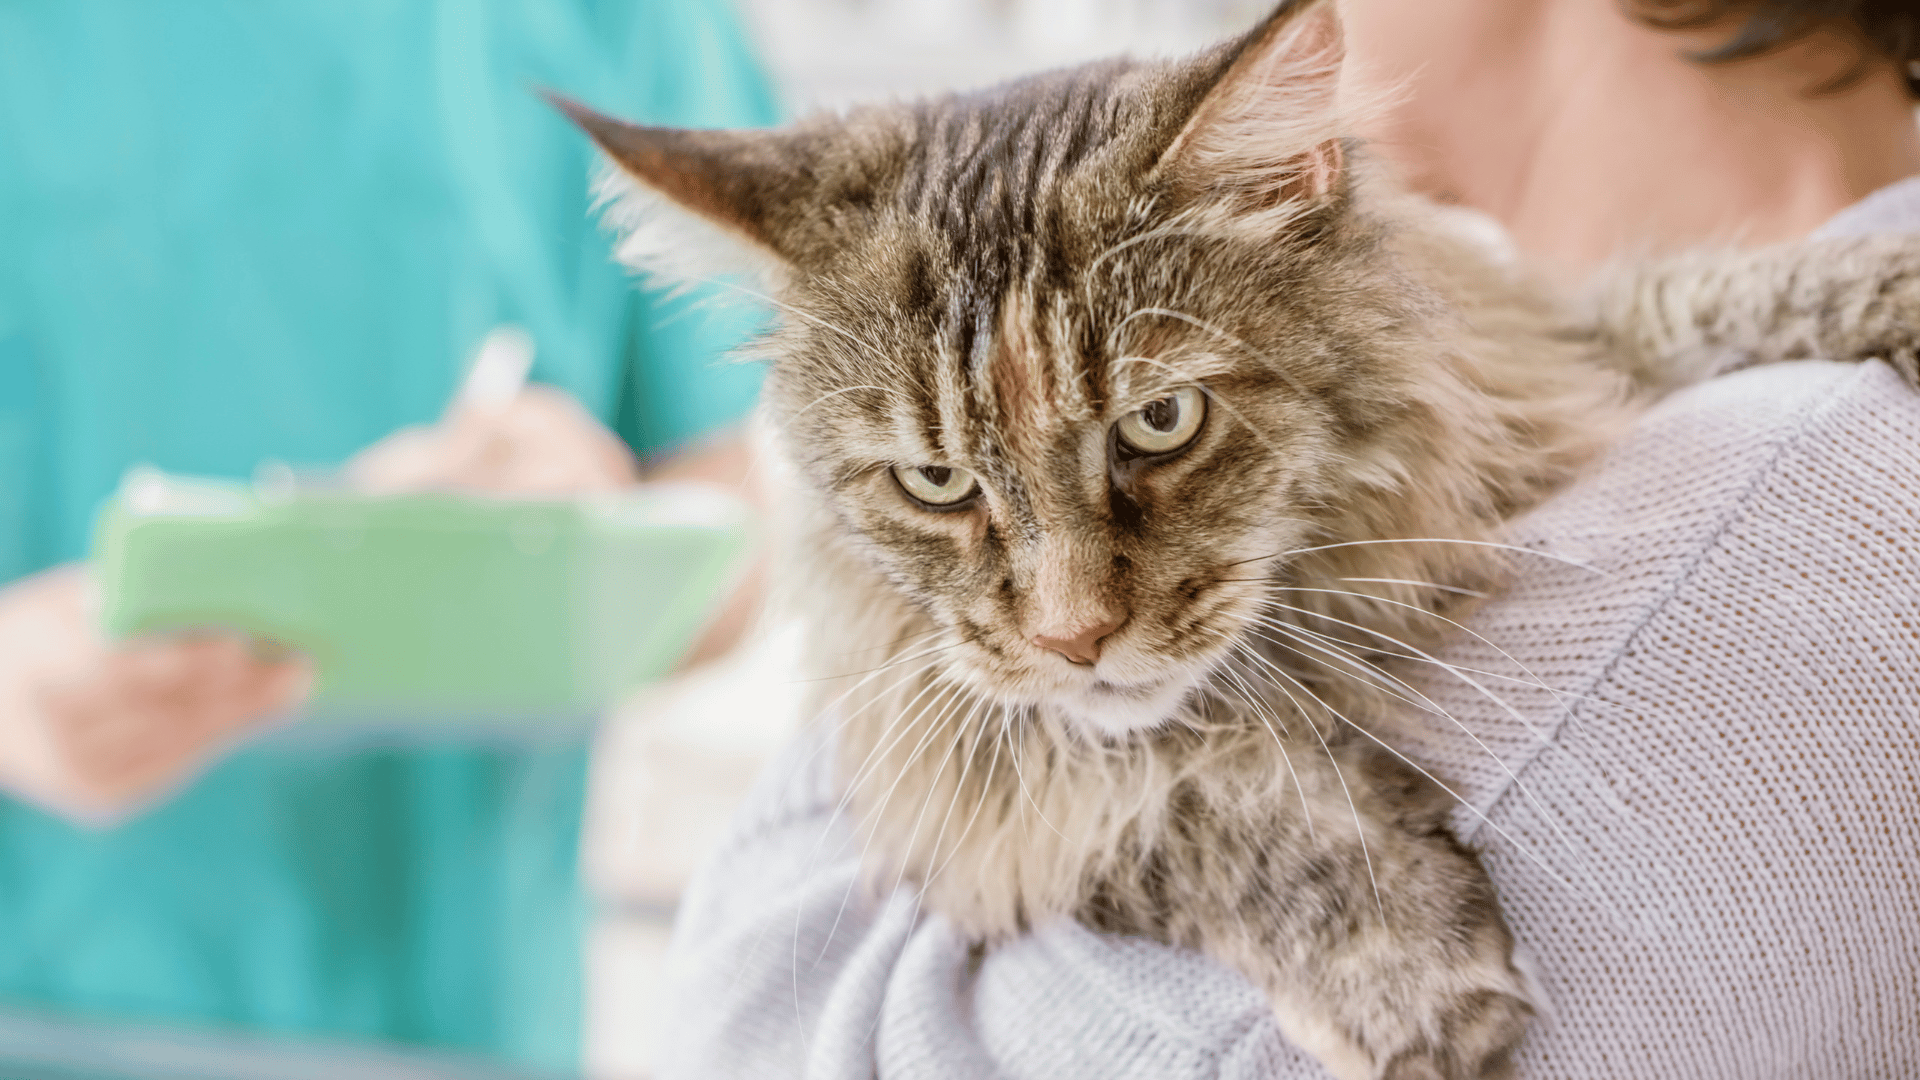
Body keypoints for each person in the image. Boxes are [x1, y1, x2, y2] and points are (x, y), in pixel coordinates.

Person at [649, 2, 1920, 1077]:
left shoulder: (1700, 598)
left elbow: (746, 1024)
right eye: (932, 480)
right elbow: (1576, 343)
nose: (1068, 619)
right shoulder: (1733, 374)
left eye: (1160, 425)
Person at [0, 0, 774, 1070]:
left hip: (447, 1018)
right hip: (43, 1001)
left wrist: (597, 551)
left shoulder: (630, 25)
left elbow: (748, 513)